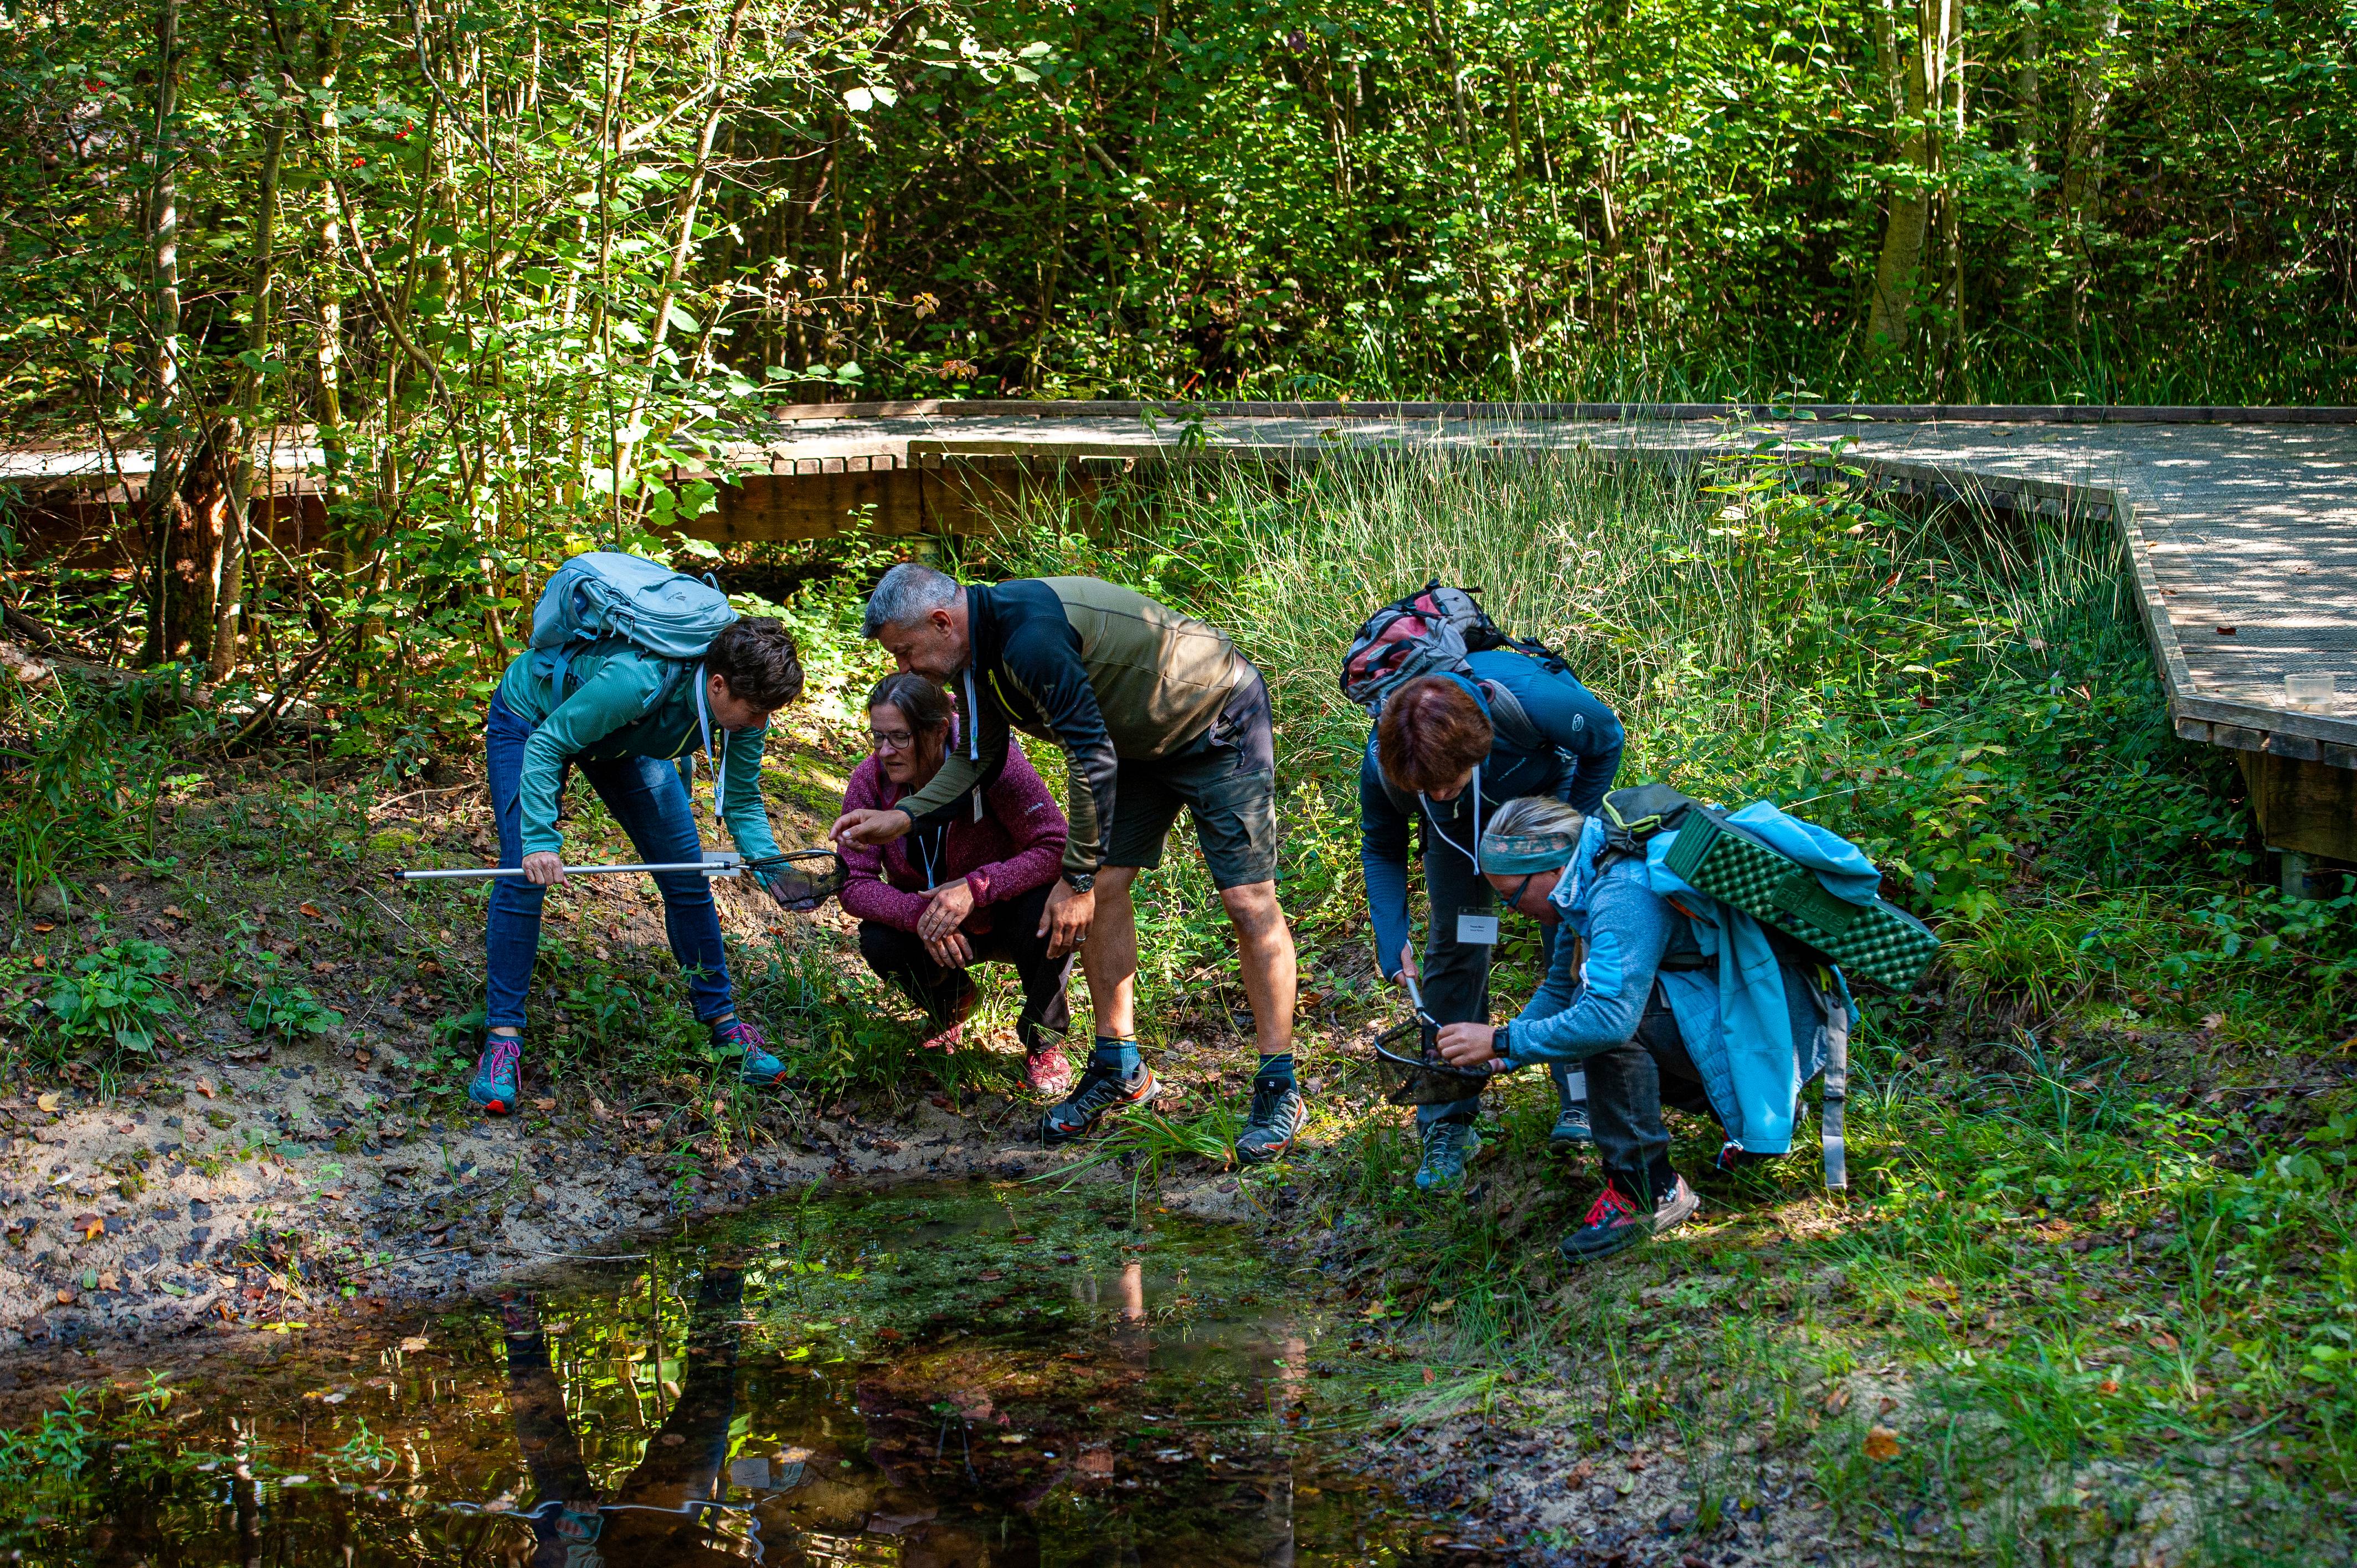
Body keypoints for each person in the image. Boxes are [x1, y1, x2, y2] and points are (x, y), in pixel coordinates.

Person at [831, 564, 1302, 1163]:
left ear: (942, 622)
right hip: (1136, 741)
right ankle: (1118, 1064)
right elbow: (978, 754)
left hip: (1215, 721)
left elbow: (1089, 759)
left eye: (905, 651)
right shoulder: (974, 655)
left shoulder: (1029, 640)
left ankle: (1278, 1085)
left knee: (1245, 900)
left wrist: (1075, 879)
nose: (904, 667)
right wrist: (904, 817)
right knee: (1106, 886)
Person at [1434, 796, 1848, 1263]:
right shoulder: (1587, 876)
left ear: (1549, 870)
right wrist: (1502, 1052)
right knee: (1586, 1009)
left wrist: (1505, 1038)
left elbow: (1608, 1020)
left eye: (1512, 896)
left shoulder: (1621, 891)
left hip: (1775, 1027)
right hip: (1741, 1014)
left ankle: (1645, 1192)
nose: (1511, 910)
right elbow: (1559, 985)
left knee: (1604, 1026)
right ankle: (1760, 1111)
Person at [469, 615, 805, 1116]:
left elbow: (740, 798)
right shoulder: (636, 681)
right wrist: (540, 840)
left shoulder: (747, 711)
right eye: (754, 711)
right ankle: (502, 1042)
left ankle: (726, 1028)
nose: (760, 724)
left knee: (685, 875)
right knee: (524, 873)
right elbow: (548, 744)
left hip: (626, 739)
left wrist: (773, 866)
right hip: (536, 720)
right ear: (718, 685)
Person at [1362, 663, 1623, 1193]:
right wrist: (1392, 938)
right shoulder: (1388, 766)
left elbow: (1606, 737)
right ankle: (1449, 1123)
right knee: (1461, 945)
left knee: (1567, 936)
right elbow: (1382, 846)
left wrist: (1568, 841)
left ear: (1475, 751)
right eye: (1423, 790)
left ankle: (1580, 1096)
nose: (1434, 795)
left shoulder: (1529, 701)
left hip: (1540, 802)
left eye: (1444, 784)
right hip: (1458, 838)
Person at [840, 671, 1077, 1092]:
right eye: (877, 737)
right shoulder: (870, 780)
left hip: (1005, 912)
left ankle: (1045, 1042)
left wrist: (976, 887)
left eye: (899, 737)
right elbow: (854, 881)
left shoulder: (993, 762)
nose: (885, 752)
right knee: (879, 940)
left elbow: (1055, 844)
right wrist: (922, 916)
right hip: (936, 926)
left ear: (937, 732)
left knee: (1052, 908)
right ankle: (951, 1008)